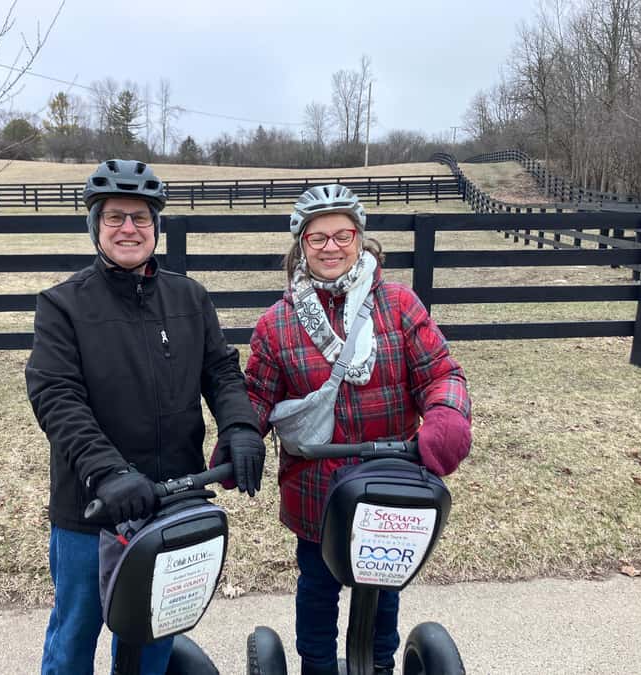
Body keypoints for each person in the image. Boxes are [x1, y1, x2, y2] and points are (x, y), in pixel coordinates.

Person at [26, 159, 265, 675]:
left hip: (173, 499)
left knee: (154, 634)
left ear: (156, 226)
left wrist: (241, 427)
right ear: (95, 227)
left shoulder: (189, 298)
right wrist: (107, 471)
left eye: (140, 217)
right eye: (114, 217)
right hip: (93, 507)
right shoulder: (63, 305)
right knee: (74, 637)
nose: (128, 229)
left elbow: (221, 372)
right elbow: (56, 396)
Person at [243, 184, 472, 675]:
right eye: (317, 237)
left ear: (359, 238)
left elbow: (439, 373)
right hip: (315, 485)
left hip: (390, 480)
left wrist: (447, 415)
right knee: (318, 588)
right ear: (301, 245)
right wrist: (241, 436)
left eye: (342, 234)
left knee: (383, 588)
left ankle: (380, 665)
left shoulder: (399, 305)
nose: (331, 246)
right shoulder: (277, 324)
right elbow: (257, 396)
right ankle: (318, 666)